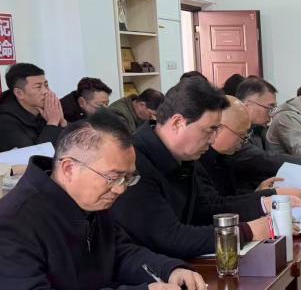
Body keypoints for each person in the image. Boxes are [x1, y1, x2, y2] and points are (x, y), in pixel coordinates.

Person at [0, 113, 207, 290]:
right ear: (69, 168)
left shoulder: (88, 200)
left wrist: (168, 269)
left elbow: (120, 252)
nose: (120, 189)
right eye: (113, 178)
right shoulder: (13, 220)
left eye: (128, 178)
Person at [111, 77, 273, 259]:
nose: (212, 139)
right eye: (209, 130)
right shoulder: (134, 162)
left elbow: (203, 211)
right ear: (177, 123)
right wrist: (246, 231)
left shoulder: (185, 156)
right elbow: (168, 237)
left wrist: (261, 204)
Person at [200, 95, 301, 203]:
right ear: (218, 128)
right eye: (241, 135)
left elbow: (232, 199)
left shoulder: (224, 157)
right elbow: (217, 206)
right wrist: (269, 195)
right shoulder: (199, 162)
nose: (243, 142)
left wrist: (258, 192)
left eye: (246, 137)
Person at [226, 76, 301, 192]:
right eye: (269, 108)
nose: (272, 114)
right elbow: (265, 159)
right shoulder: (232, 135)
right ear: (247, 105)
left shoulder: (258, 131)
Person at [0, 63, 66, 153]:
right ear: (19, 93)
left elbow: (71, 148)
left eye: (46, 85)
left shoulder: (44, 113)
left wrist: (62, 122)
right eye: (38, 87)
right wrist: (52, 123)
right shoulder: (4, 123)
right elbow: (35, 157)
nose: (46, 91)